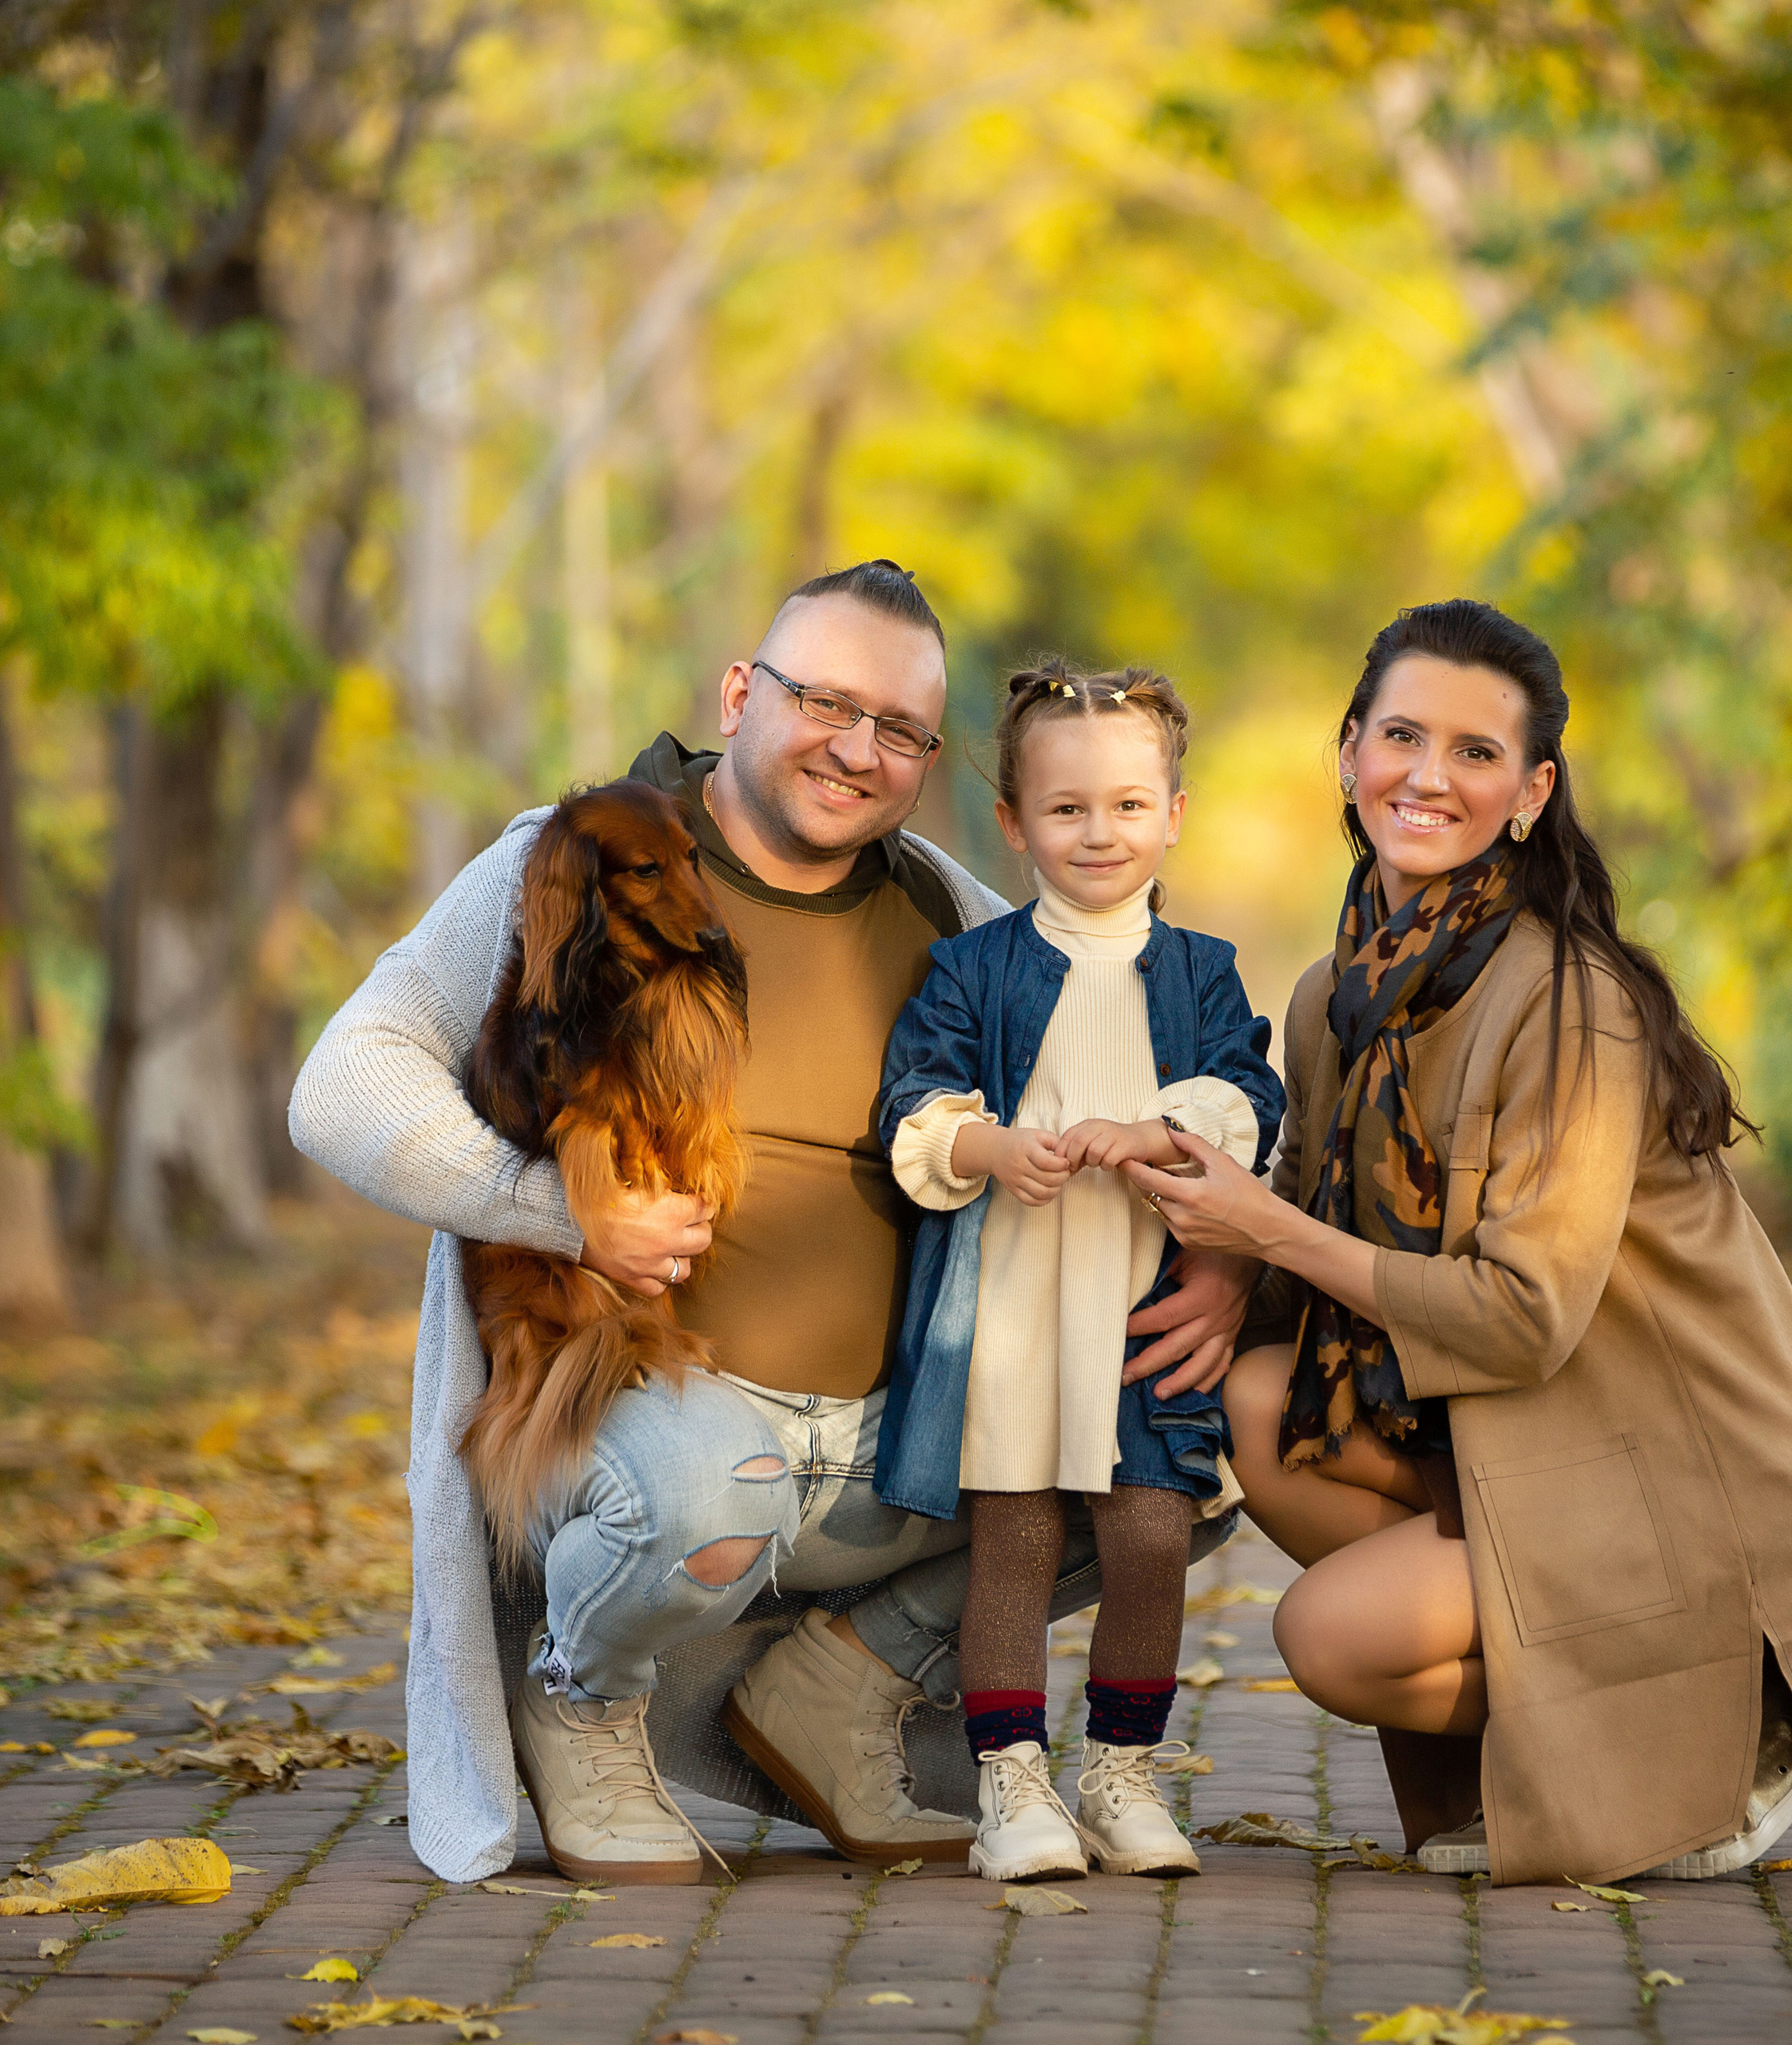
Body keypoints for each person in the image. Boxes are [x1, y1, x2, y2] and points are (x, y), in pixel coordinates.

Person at [289, 562, 1253, 1887]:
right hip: (646, 1417)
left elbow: (1144, 1071)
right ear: (741, 693)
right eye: (825, 702)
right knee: (709, 1492)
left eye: (902, 729)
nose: (858, 749)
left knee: (1180, 1457)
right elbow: (342, 1083)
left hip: (882, 1446)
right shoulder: (575, 856)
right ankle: (578, 1696)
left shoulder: (947, 910)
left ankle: (844, 1682)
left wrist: (1225, 1269)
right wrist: (568, 1215)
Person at [1121, 598, 1792, 1888]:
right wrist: (1222, 1265)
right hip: (1530, 1440)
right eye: (1403, 737)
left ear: (1532, 792)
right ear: (1349, 753)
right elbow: (1305, 1220)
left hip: (1685, 1474)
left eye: (1476, 752)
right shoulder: (1336, 996)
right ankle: (1591, 1743)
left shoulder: (1570, 1003)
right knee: (1253, 1401)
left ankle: (1735, 1720)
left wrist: (1266, 1229)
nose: (1429, 776)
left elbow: (1523, 1315)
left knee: (1328, 1638)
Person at [873, 663, 1285, 1884]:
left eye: (1127, 805)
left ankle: (1121, 1771)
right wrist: (990, 1147)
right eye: (1065, 809)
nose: (1099, 832)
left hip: (1143, 1297)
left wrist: (1159, 1131)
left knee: (1150, 1532)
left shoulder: (1202, 970)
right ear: (1013, 824)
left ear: (1174, 814)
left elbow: (1248, 1096)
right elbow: (914, 1102)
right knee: (1015, 1544)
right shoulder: (975, 968)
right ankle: (1009, 1782)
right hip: (1013, 1302)